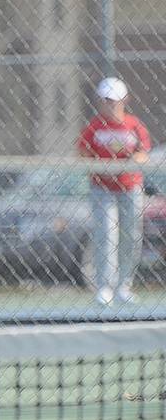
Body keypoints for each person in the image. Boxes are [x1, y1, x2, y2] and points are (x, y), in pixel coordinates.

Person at [77, 76, 151, 306]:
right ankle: (104, 287)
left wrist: (131, 162)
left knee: (131, 234)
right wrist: (101, 167)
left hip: (130, 188)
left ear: (124, 100)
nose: (110, 105)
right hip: (102, 189)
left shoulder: (134, 125)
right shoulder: (94, 127)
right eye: (106, 101)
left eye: (115, 101)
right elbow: (82, 152)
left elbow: (143, 152)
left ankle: (123, 286)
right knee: (106, 234)